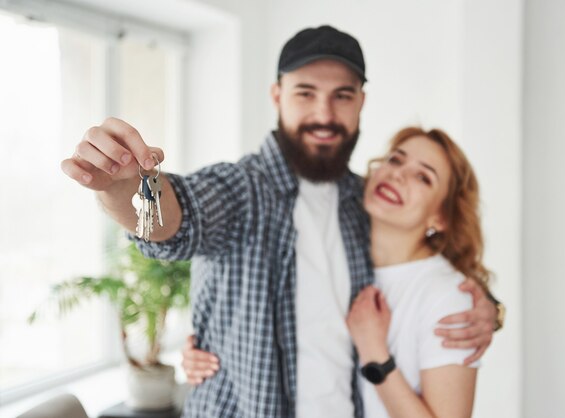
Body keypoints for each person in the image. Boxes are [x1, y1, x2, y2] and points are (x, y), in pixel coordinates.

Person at [62, 25, 501, 418]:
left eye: (342, 96)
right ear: (277, 96)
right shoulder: (243, 190)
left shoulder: (364, 201)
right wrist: (121, 188)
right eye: (305, 93)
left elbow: (426, 258)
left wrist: (486, 307)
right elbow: (178, 220)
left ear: (361, 102)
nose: (324, 115)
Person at [347, 126, 488, 417]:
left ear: (441, 216)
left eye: (423, 177)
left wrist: (375, 354)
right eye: (396, 160)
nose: (397, 174)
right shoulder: (341, 257)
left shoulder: (448, 296)